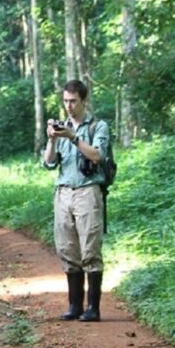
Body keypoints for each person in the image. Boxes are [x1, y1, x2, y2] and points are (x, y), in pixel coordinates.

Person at [42, 79, 110, 322]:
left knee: (90, 247)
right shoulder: (62, 128)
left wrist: (73, 137)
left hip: (88, 191)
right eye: (65, 101)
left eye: (73, 101)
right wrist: (52, 138)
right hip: (63, 191)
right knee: (66, 248)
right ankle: (74, 305)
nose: (69, 106)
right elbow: (49, 163)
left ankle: (93, 307)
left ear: (84, 101)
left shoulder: (97, 127)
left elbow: (96, 155)